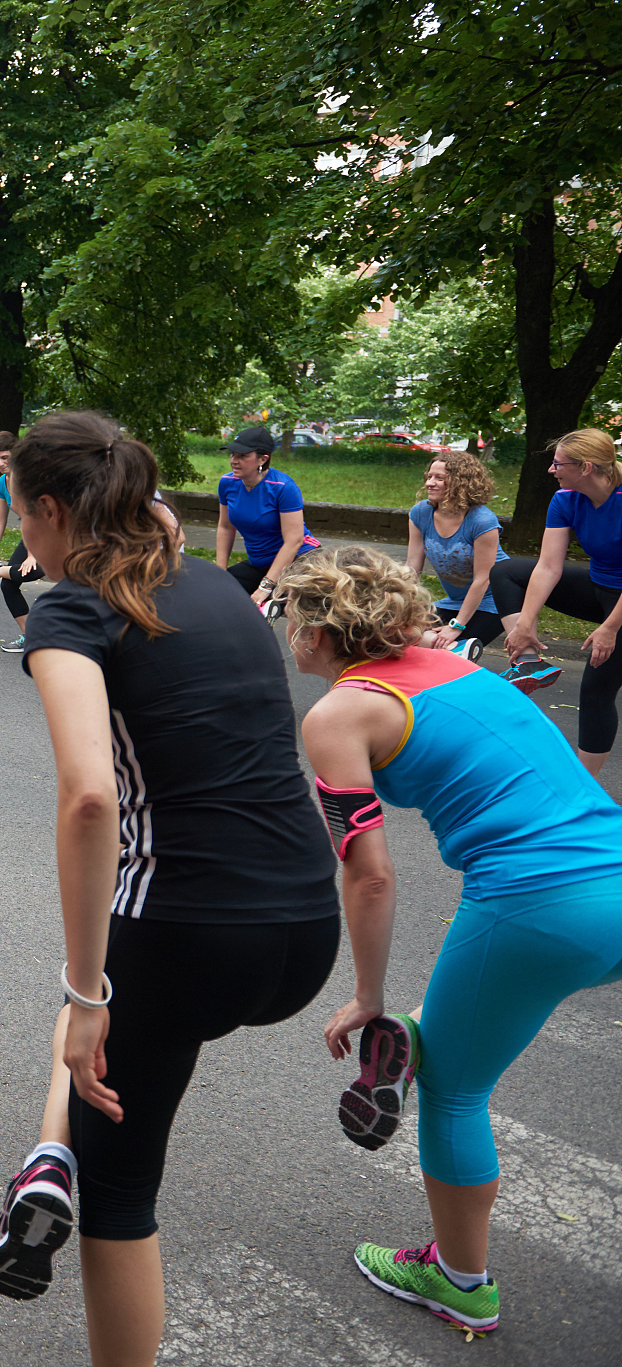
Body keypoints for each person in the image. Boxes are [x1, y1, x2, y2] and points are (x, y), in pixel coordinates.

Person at [0, 411, 338, 1367]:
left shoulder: (72, 606)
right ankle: (48, 1152)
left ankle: (59, 1155)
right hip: (304, 923)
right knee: (103, 1016)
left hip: (187, 936)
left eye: (21, 515)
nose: (24, 543)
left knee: (120, 1185)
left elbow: (91, 796)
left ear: (48, 508)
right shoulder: (216, 585)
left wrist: (92, 994)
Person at [278, 546, 622, 1336]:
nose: (290, 633)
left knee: (455, 1087)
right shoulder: (452, 665)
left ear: (323, 632)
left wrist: (367, 995)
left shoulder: (337, 713)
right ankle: (426, 1033)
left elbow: (367, 875)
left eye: (296, 618)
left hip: (537, 902)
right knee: (458, 1028)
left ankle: (460, 1279)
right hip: (614, 873)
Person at [496, 429, 622, 772]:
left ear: (585, 467)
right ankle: (530, 662)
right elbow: (548, 567)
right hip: (600, 589)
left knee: (596, 690)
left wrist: (610, 628)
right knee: (507, 572)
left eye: (558, 464)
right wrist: (524, 625)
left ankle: (586, 791)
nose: (551, 470)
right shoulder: (566, 499)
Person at [404, 452, 516, 661]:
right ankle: (455, 649)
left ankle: (456, 653)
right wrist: (402, 607)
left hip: (495, 601)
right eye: (429, 477)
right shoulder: (420, 513)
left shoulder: (482, 521)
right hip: (454, 601)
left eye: (439, 478)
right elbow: (412, 568)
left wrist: (456, 626)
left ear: (461, 483)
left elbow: (483, 579)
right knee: (397, 630)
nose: (430, 483)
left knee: (448, 659)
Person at [215, 424, 321, 609]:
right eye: (232, 454)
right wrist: (220, 572)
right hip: (260, 563)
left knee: (271, 605)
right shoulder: (227, 483)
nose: (234, 461)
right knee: (219, 593)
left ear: (262, 459)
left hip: (300, 560)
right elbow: (225, 527)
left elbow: (294, 541)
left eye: (242, 456)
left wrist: (265, 587)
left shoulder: (283, 487)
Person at [0, 432, 41, 651]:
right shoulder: (2, 482)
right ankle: (30, 636)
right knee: (10, 585)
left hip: (54, 533)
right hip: (32, 533)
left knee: (33, 571)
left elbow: (35, 517)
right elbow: (0, 521)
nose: (1, 463)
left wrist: (31, 556)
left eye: (5, 457)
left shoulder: (31, 479)